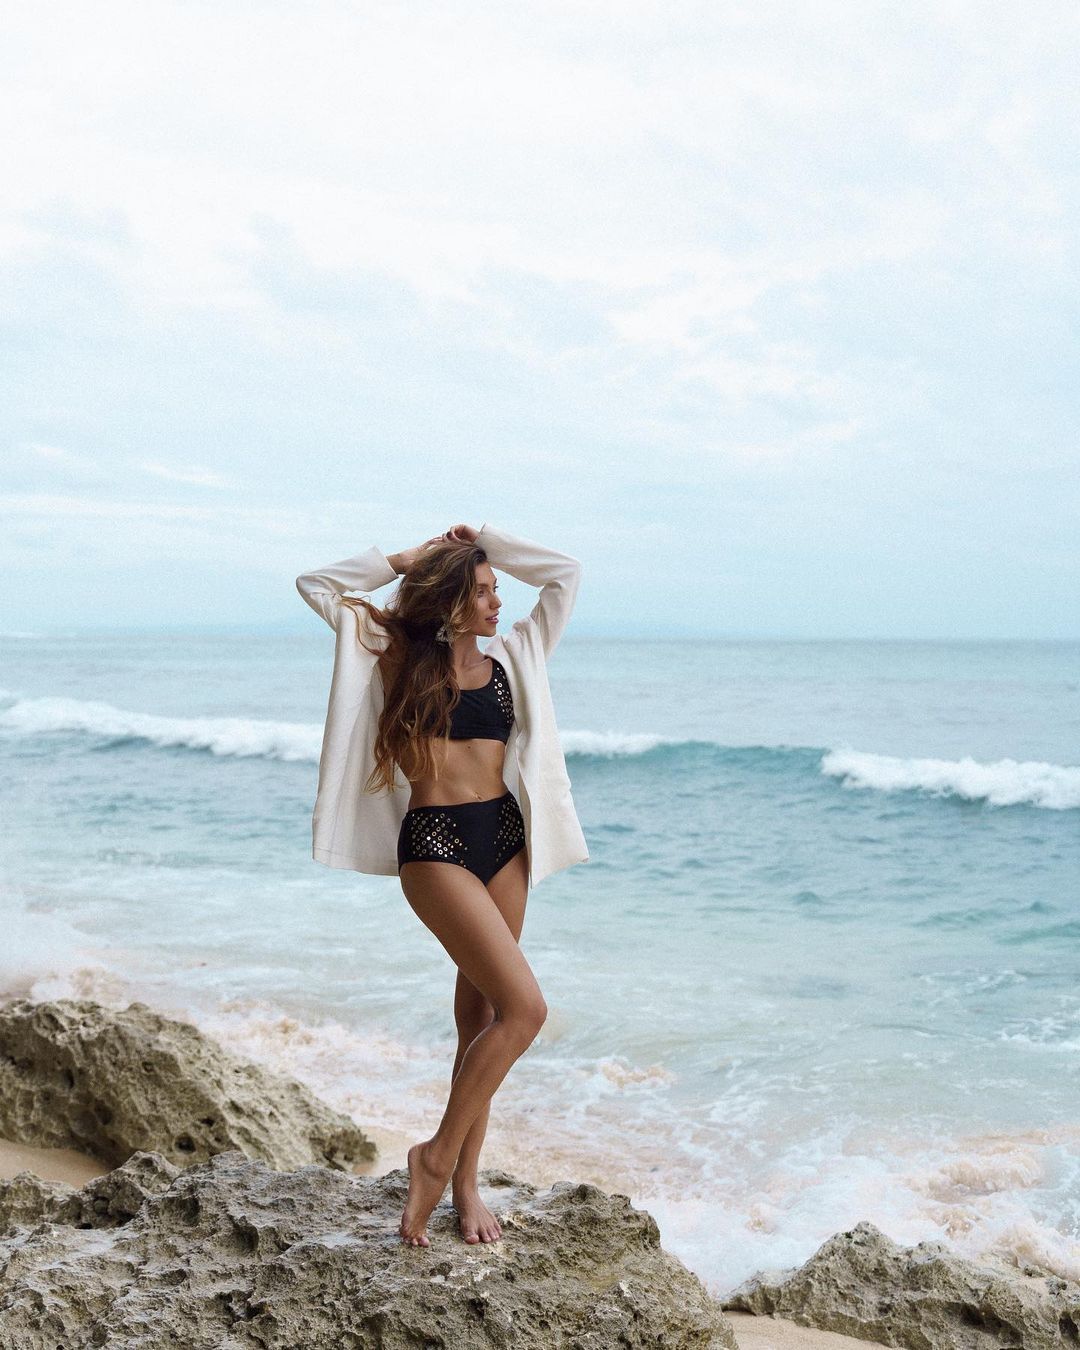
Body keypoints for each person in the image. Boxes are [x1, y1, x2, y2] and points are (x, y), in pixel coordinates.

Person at [295, 522, 589, 1247]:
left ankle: (465, 1183)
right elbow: (318, 585)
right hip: (437, 846)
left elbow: (565, 574)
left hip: (506, 843)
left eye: (496, 591)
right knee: (525, 1011)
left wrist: (488, 538)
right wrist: (411, 559)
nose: (496, 603)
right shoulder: (393, 653)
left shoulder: (516, 656)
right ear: (452, 600)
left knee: (484, 1021)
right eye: (483, 591)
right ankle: (432, 1157)